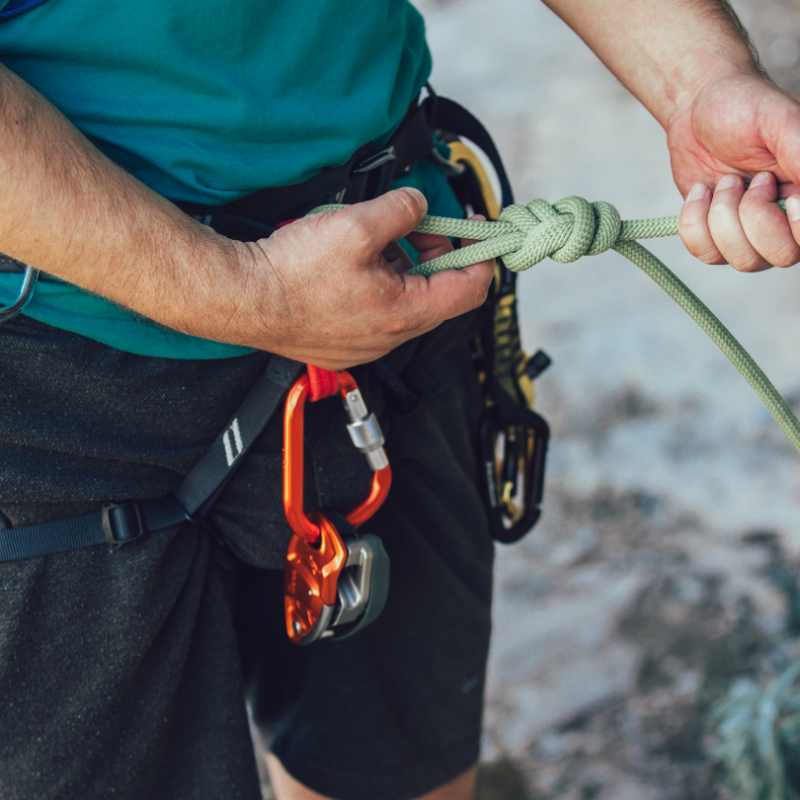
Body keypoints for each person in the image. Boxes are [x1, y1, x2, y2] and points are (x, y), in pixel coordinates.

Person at [0, 1, 797, 799]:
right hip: (51, 370)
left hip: (390, 284)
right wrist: (245, 292)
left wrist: (700, 77)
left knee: (398, 778)